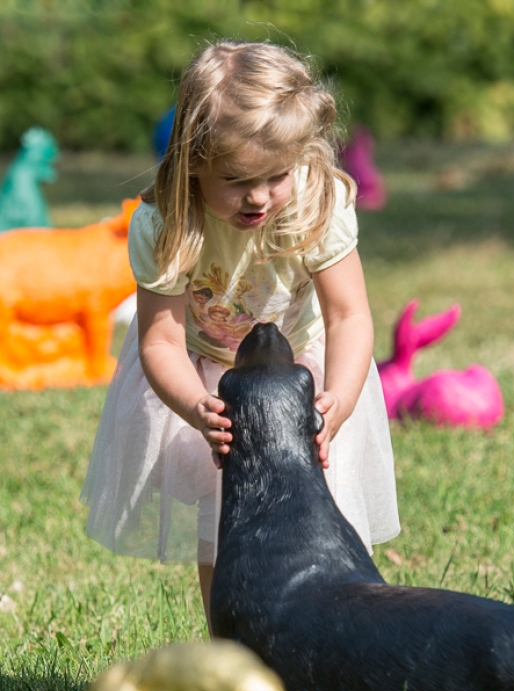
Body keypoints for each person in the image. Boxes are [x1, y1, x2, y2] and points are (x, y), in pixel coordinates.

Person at [81, 39, 400, 622]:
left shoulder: (314, 201)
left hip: (307, 371)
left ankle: (332, 630)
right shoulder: (167, 223)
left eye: (276, 176)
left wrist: (341, 399)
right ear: (193, 161)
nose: (258, 197)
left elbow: (348, 315)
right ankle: (230, 640)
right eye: (234, 179)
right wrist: (195, 406)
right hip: (208, 377)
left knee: (328, 513)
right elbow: (160, 340)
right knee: (222, 524)